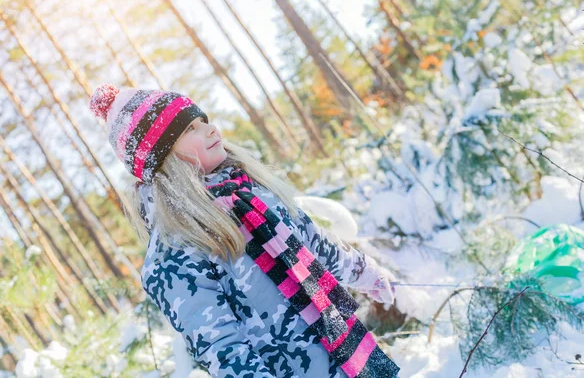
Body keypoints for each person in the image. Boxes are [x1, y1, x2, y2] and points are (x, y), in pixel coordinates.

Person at [89, 83, 401, 377]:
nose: (211, 129)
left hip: (348, 356)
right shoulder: (174, 251)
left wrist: (369, 273)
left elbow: (315, 245)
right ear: (164, 158)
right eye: (189, 129)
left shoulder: (251, 194)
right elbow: (222, 348)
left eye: (203, 120)